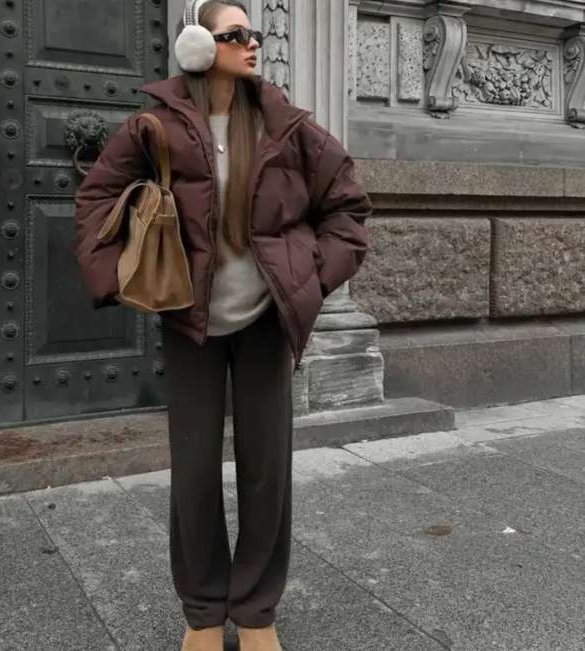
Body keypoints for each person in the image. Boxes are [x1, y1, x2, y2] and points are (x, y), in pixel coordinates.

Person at [74, 1, 372, 649]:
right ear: (198, 46)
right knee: (195, 471)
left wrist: (312, 278)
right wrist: (116, 276)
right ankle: (204, 613)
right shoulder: (156, 125)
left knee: (268, 471)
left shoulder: (284, 125)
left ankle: (258, 612)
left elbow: (347, 206)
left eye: (253, 32)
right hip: (191, 322)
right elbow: (95, 196)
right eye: (235, 34)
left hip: (265, 321)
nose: (252, 43)